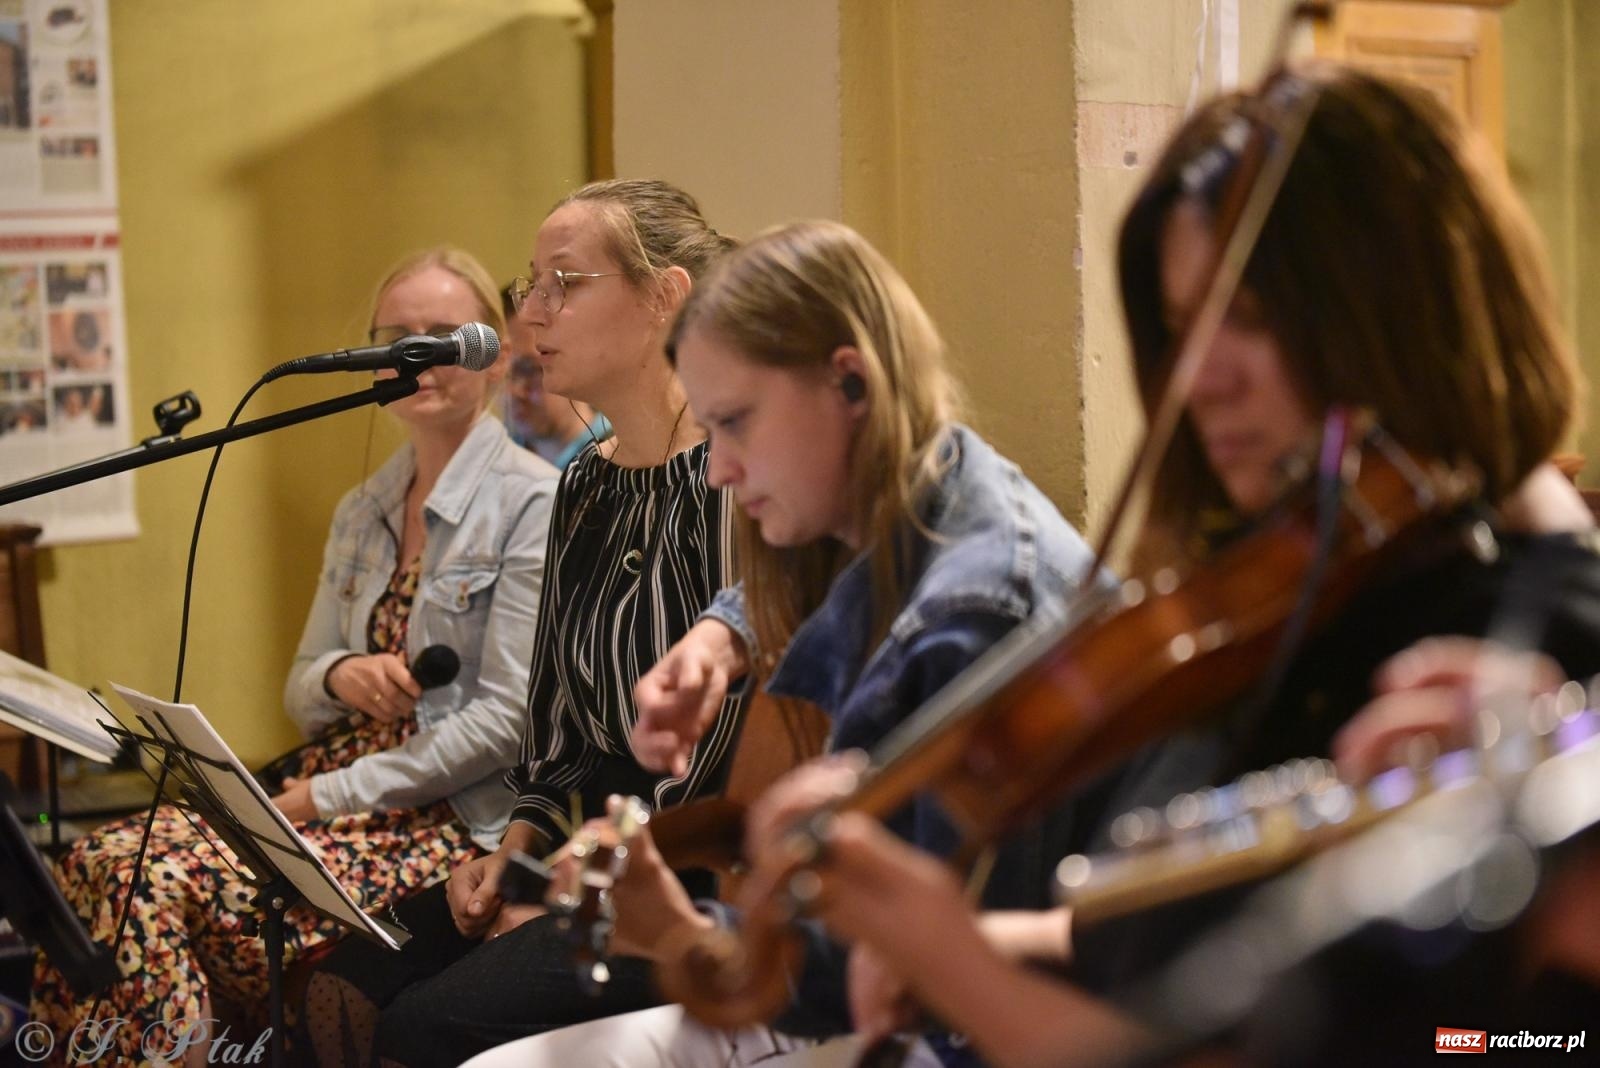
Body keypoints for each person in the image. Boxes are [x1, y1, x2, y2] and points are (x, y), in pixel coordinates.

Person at [708, 62, 1600, 1068]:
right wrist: (982, 944)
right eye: (1181, 329)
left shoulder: (1528, 648)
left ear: (1401, 309)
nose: (1201, 377)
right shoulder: (1281, 595)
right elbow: (1168, 935)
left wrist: (959, 962)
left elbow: (1483, 1042)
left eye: (1253, 318)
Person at [462, 218, 1106, 1068]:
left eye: (734, 423)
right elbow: (801, 587)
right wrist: (717, 636)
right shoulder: (926, 483)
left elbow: (874, 984)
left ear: (849, 385)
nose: (720, 469)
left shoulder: (971, 618)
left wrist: (676, 934)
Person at [29, 246, 558, 1067]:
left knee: (144, 878)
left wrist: (326, 797)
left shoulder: (532, 501)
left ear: (491, 355)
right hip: (326, 793)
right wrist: (342, 675)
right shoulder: (364, 508)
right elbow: (304, 690)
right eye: (397, 336)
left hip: (437, 817)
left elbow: (506, 721)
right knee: (100, 860)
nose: (415, 355)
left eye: (442, 335)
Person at [304, 179, 751, 1068]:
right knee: (340, 985)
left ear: (667, 295)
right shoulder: (585, 483)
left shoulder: (736, 476)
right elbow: (554, 741)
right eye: (530, 285)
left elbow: (726, 763)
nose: (531, 313)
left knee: (418, 1027)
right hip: (575, 854)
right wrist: (511, 856)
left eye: (565, 282)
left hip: (686, 881)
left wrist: (563, 892)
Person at [500, 283, 612, 468]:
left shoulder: (618, 458)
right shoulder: (502, 462)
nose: (514, 391)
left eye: (528, 368)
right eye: (504, 373)